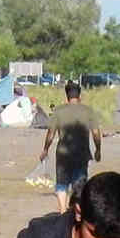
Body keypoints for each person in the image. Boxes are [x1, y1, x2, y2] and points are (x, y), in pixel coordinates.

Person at [42, 81, 103, 213]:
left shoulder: (58, 111)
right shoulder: (88, 111)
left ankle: (63, 212)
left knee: (62, 184)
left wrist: (45, 149)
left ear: (67, 97)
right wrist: (98, 150)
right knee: (79, 185)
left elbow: (51, 134)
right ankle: (76, 213)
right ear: (79, 96)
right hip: (82, 154)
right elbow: (96, 133)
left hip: (63, 154)